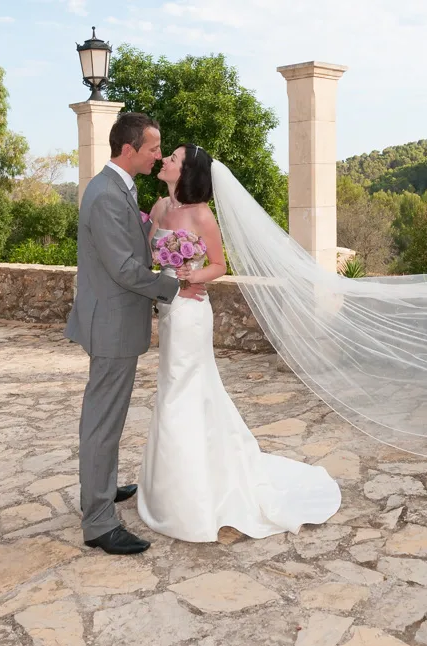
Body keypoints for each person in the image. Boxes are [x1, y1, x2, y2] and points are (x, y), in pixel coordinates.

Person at [137, 144, 342, 542]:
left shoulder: (201, 214)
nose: (165, 161)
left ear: (188, 171)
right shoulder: (160, 208)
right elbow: (149, 255)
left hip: (192, 311)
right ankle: (170, 487)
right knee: (171, 389)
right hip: (170, 309)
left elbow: (218, 265)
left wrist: (187, 279)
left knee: (184, 388)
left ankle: (191, 497)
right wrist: (164, 278)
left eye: (174, 158)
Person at [65, 114, 206, 555]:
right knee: (103, 421)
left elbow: (135, 241)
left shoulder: (118, 188)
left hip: (114, 319)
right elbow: (124, 268)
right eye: (152, 149)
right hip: (111, 323)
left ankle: (100, 492)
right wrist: (174, 286)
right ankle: (100, 523)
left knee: (105, 417)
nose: (158, 156)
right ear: (129, 150)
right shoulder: (107, 193)